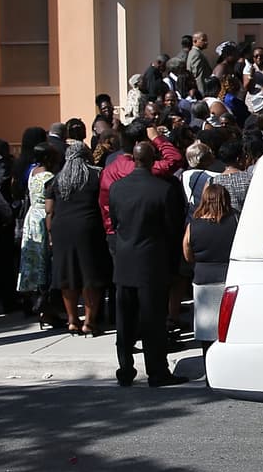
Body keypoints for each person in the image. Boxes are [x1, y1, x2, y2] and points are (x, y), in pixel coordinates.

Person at [108, 142, 188, 387]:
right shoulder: (163, 190)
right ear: (153, 160)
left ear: (133, 159)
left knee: (125, 321)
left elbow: (115, 221)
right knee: (153, 320)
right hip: (152, 262)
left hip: (124, 260)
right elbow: (172, 228)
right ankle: (157, 370)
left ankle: (125, 369)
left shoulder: (117, 188)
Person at [46, 141, 111, 335]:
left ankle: (72, 320)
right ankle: (89, 323)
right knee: (90, 275)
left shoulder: (56, 179)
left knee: (67, 275)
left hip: (61, 229)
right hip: (88, 227)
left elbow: (49, 210)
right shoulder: (97, 174)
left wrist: (50, 235)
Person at [182, 182, 238, 355]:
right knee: (230, 327)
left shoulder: (193, 226)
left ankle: (208, 363)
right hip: (230, 276)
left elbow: (187, 255)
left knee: (206, 330)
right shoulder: (236, 221)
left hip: (204, 279)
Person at [17, 143, 57, 307]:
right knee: (44, 257)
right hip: (43, 215)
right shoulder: (49, 177)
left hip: (32, 214)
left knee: (32, 256)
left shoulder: (33, 172)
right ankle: (43, 297)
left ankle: (29, 293)